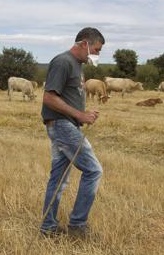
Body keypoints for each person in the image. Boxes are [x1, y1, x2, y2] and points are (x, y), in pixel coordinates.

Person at [40, 27, 105, 237]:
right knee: (94, 171)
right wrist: (79, 115)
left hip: (65, 125)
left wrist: (83, 114)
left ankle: (48, 228)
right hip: (61, 125)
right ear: (84, 43)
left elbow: (67, 97)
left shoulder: (77, 65)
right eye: (96, 49)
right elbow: (48, 98)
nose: (97, 55)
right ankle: (77, 226)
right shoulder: (63, 62)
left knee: (58, 178)